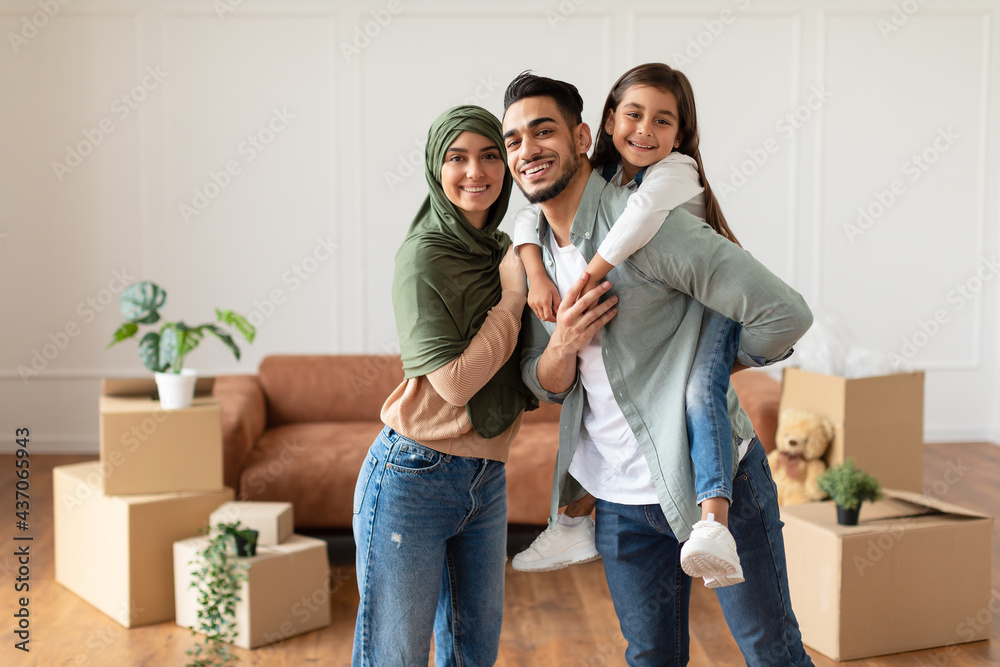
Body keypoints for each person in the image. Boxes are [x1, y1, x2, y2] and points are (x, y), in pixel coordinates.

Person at [502, 71, 815, 666]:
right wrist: (562, 343)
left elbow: (784, 315)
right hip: (615, 499)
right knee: (650, 657)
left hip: (714, 480)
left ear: (581, 135)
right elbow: (540, 382)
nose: (527, 150)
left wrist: (706, 367)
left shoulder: (652, 225)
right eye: (514, 140)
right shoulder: (529, 254)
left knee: (769, 651)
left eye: (543, 132)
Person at [511, 64, 746, 588]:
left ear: (681, 135)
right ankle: (571, 519)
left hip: (712, 307)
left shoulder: (674, 173)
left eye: (663, 121)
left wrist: (589, 273)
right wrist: (534, 274)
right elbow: (525, 216)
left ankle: (714, 523)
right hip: (624, 490)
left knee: (695, 392)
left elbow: (639, 218)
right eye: (634, 115)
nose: (645, 130)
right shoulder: (599, 179)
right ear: (609, 119)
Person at [351, 105, 536, 666]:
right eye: (457, 157)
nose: (474, 171)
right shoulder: (423, 257)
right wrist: (511, 300)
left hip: (488, 478)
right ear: (437, 168)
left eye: (488, 155)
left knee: (473, 656)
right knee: (395, 655)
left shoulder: (509, 249)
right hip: (414, 476)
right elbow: (455, 386)